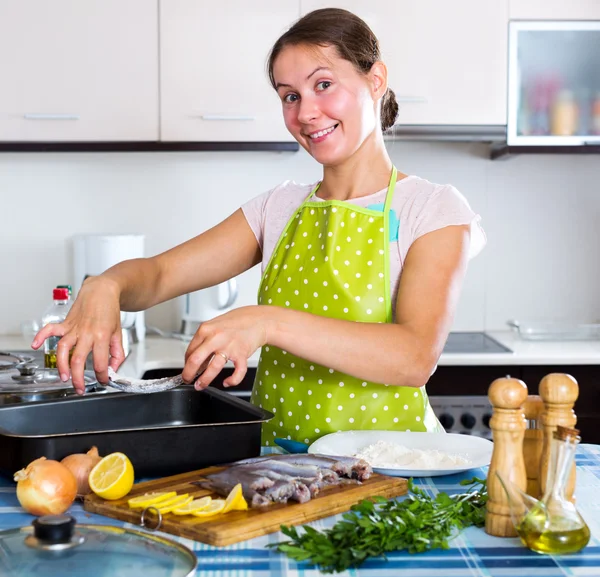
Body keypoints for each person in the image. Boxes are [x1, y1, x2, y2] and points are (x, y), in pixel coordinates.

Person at [32, 8, 485, 446]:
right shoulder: (278, 208)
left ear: (376, 79)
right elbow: (160, 275)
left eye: (323, 85)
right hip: (279, 473)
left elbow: (413, 358)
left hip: (391, 481)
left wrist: (266, 321)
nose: (306, 113)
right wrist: (105, 286)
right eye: (290, 96)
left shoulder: (433, 209)